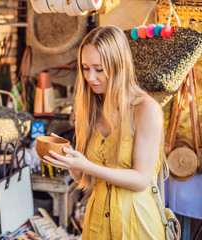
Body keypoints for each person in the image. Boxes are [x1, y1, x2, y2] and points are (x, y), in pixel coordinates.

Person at [43, 25, 166, 239]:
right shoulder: (89, 109)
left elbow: (141, 180)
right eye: (85, 67)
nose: (90, 77)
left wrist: (86, 165)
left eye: (99, 69)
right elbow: (82, 177)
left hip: (136, 224)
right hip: (97, 224)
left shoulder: (146, 110)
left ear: (119, 66)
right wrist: (68, 157)